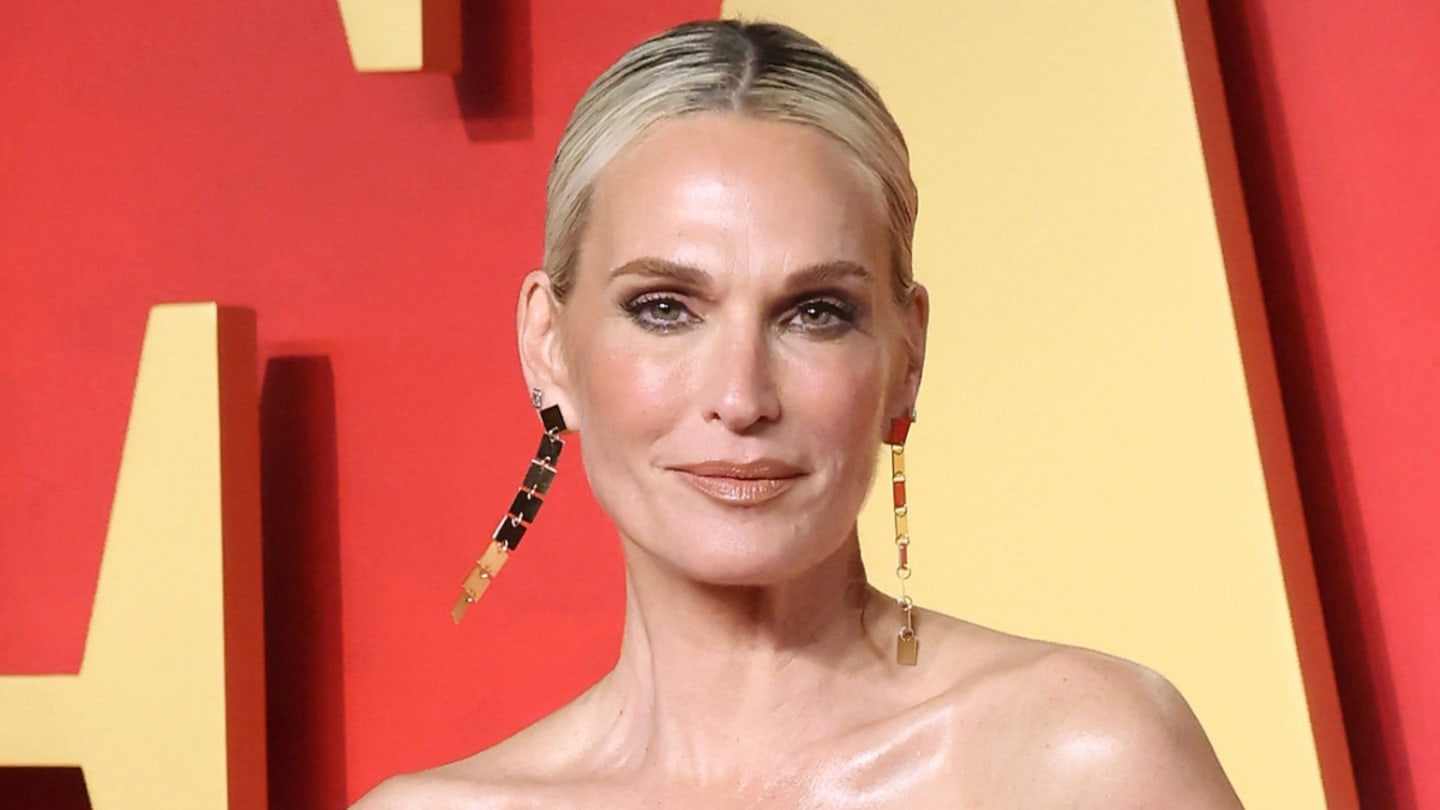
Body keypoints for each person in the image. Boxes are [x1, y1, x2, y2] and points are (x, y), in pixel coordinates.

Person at [355, 19, 1243, 809]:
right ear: (548, 345)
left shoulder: (1082, 765)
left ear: (907, 356)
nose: (742, 398)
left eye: (815, 313)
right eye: (665, 308)